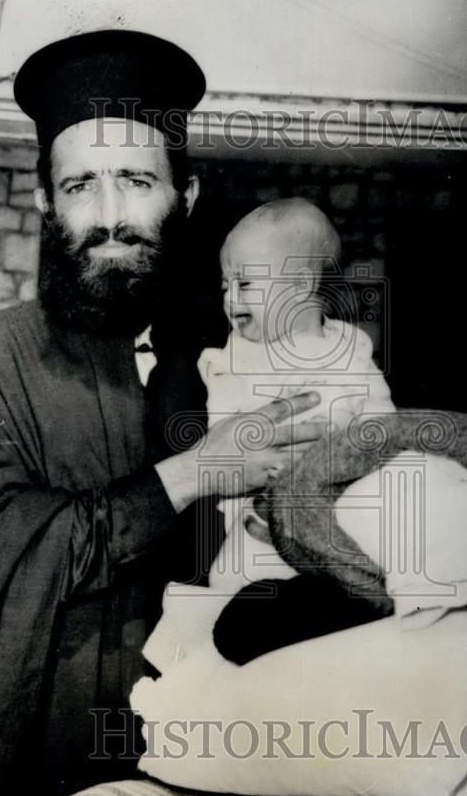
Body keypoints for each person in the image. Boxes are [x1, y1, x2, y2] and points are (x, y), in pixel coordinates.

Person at [0, 29, 327, 796]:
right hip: (15, 784)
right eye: (81, 183)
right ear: (47, 200)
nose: (110, 211)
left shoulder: (237, 351)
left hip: (186, 787)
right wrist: (196, 474)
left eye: (138, 179)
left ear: (184, 194)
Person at [142, 198, 394, 671]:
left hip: (340, 528)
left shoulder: (349, 350)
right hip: (257, 533)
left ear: (300, 284)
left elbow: (384, 424)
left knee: (334, 635)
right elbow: (228, 441)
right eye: (225, 286)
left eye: (246, 283)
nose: (231, 300)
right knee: (224, 627)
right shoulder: (234, 359)